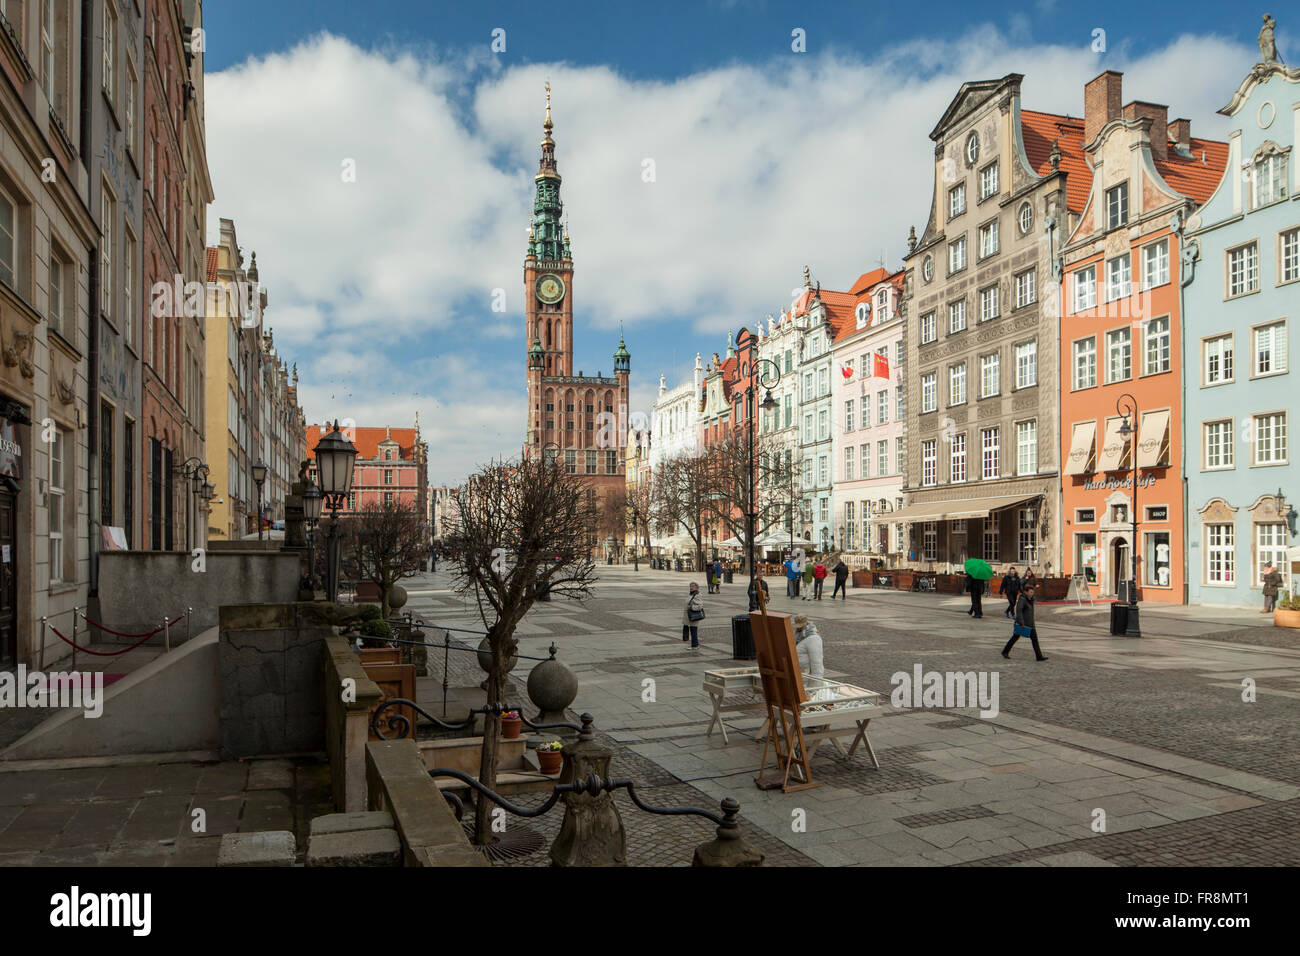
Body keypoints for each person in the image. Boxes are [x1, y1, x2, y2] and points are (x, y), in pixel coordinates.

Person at [1003, 582, 1048, 661]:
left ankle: (1039, 656)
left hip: (1030, 624)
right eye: (1030, 592)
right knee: (1015, 637)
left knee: (1034, 640)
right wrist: (1020, 622)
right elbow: (1019, 611)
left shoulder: (1030, 599)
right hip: (1023, 623)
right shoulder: (1022, 599)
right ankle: (1005, 651)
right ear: (1026, 592)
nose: (1032, 593)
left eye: (1033, 592)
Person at [682, 582, 705, 649]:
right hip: (689, 616)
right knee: (692, 630)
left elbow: (700, 606)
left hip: (693, 616)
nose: (691, 587)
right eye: (690, 586)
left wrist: (691, 607)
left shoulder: (697, 595)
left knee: (693, 631)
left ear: (697, 587)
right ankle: (695, 644)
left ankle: (694, 645)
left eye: (693, 586)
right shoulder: (691, 594)